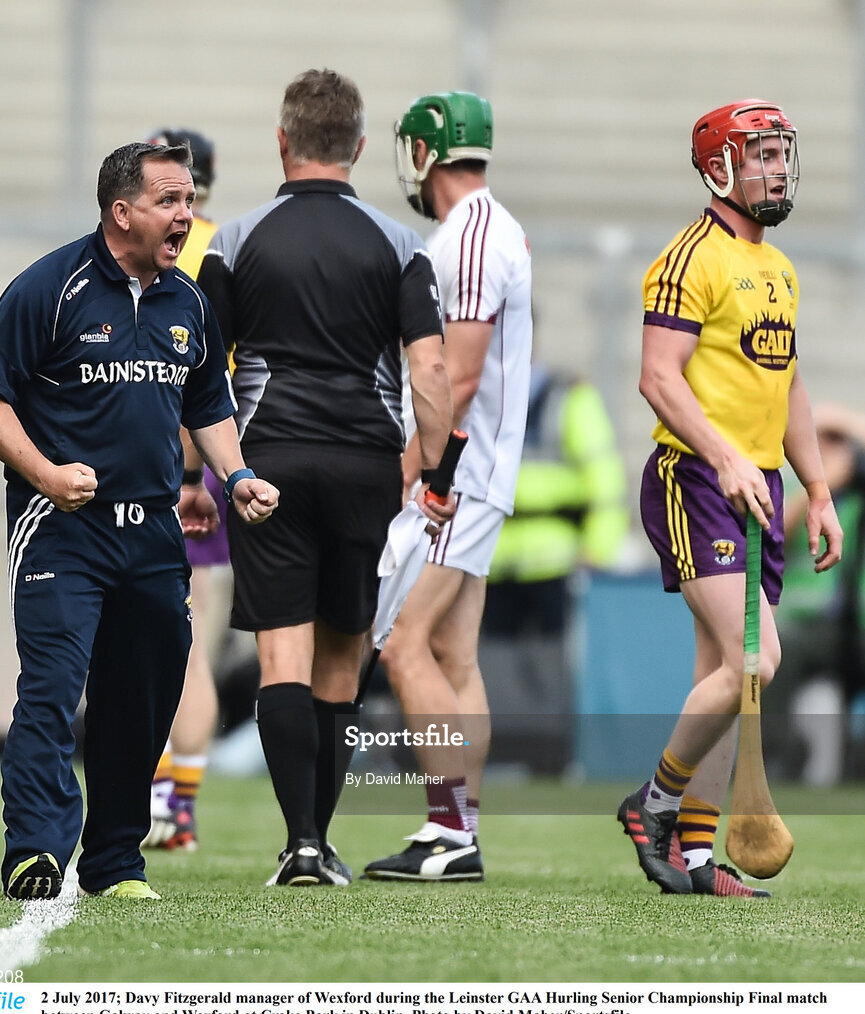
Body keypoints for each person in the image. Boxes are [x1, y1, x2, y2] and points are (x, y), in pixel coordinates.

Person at [0, 140, 279, 901]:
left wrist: (235, 475)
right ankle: (35, 851)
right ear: (121, 211)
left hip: (155, 534)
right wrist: (44, 473)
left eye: (189, 200)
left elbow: (208, 405)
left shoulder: (188, 301)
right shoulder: (49, 287)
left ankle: (114, 862)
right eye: (169, 200)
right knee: (52, 687)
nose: (185, 214)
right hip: (62, 527)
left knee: (139, 701)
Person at [195, 68, 454, 887]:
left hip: (263, 465)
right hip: (364, 466)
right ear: (360, 148)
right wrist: (433, 469)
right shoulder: (400, 244)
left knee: (283, 658)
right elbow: (431, 373)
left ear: (282, 141)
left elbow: (199, 375)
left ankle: (299, 842)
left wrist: (200, 474)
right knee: (343, 661)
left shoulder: (233, 242)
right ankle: (321, 842)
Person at [618, 99, 843, 899]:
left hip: (758, 486)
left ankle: (697, 857)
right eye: (761, 156)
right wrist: (723, 459)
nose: (778, 168)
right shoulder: (690, 258)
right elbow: (656, 377)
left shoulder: (775, 268)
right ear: (718, 167)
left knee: (722, 673)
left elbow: (786, 385)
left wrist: (816, 489)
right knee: (756, 661)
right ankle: (653, 803)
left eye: (783, 154)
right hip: (696, 480)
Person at [362, 90, 533, 882]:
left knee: (400, 645)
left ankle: (448, 829)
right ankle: (462, 830)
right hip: (480, 472)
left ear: (425, 153)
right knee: (453, 654)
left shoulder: (467, 237)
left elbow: (454, 376)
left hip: (456, 473)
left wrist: (410, 471)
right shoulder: (490, 227)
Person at [138, 127, 228, 852]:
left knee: (176, 641)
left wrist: (189, 473)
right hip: (215, 464)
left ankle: (173, 800)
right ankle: (175, 796)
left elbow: (188, 379)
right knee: (182, 639)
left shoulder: (180, 257)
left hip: (181, 472)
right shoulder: (228, 247)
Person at [480, 362, 629, 772]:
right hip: (495, 560)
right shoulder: (479, 390)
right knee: (494, 666)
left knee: (555, 665)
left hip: (556, 561)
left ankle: (555, 755)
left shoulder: (569, 396)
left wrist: (598, 549)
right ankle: (501, 751)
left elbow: (604, 476)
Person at [765, 403, 865, 784]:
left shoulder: (859, 496)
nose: (832, 448)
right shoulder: (795, 492)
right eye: (823, 438)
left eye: (841, 441)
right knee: (774, 645)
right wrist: (820, 492)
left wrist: (847, 423)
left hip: (858, 622)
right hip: (814, 623)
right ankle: (773, 757)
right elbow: (776, 529)